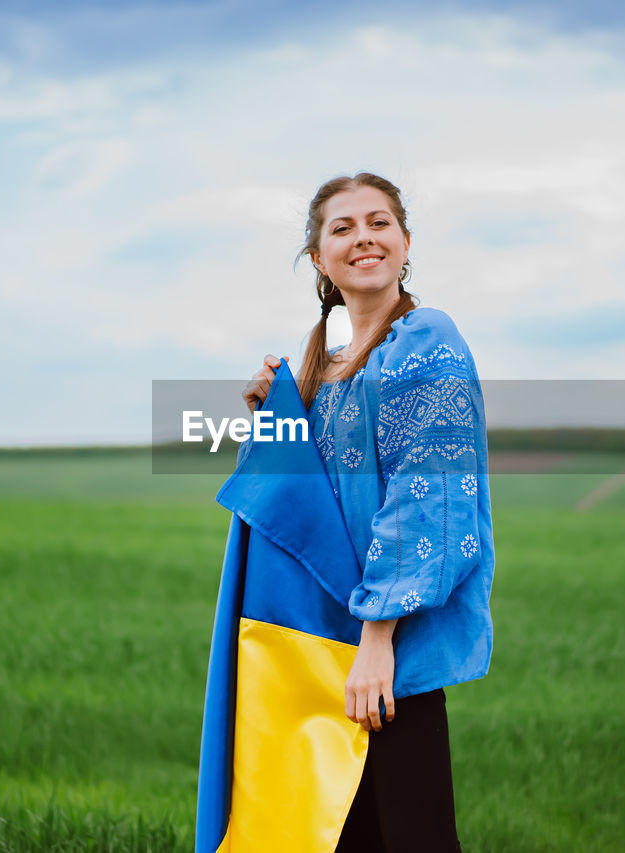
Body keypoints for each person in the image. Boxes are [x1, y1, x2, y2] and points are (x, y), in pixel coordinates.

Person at [241, 172, 495, 852]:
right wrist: (278, 415)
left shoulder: (426, 340)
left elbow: (428, 494)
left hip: (388, 662)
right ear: (319, 259)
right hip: (325, 658)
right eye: (343, 227)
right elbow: (310, 514)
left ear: (406, 242)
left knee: (411, 838)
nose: (364, 238)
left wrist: (377, 638)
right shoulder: (322, 368)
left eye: (379, 222)